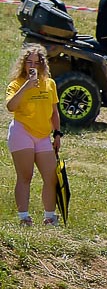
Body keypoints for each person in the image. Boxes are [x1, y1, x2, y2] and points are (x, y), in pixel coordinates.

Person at [7, 43, 60, 225]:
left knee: (51, 176)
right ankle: (24, 217)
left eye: (37, 63)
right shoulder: (16, 84)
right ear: (23, 64)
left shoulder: (50, 84)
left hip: (43, 135)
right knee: (25, 175)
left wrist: (57, 134)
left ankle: (50, 216)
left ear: (42, 64)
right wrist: (27, 86)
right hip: (22, 132)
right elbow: (10, 107)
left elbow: (54, 112)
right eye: (29, 62)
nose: (33, 66)